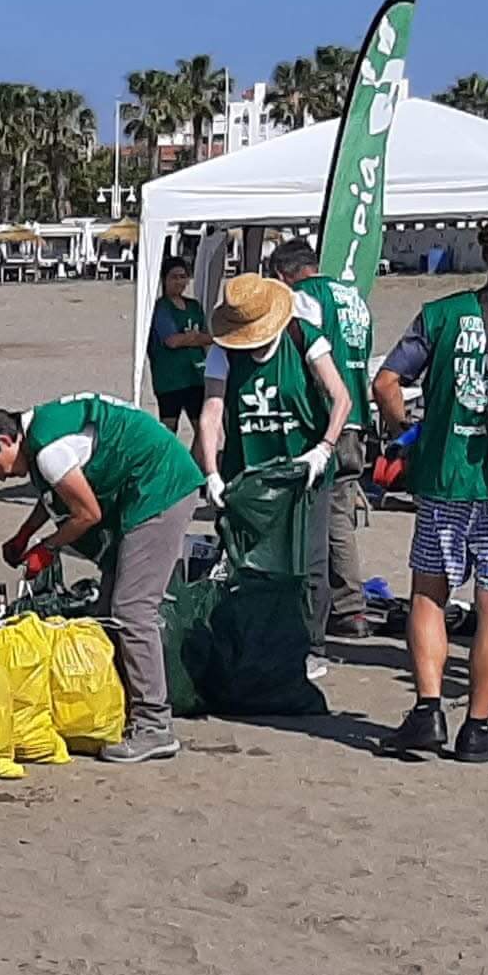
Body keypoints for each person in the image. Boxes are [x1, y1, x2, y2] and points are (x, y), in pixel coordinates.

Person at [0, 394, 205, 764]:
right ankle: (116, 707)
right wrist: (25, 535)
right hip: (144, 486)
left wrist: (46, 547)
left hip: (163, 488)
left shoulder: (49, 450)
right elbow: (57, 493)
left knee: (132, 610)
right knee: (106, 610)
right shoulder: (40, 431)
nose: (2, 476)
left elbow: (86, 513)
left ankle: (155, 725)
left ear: (6, 441)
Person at [371, 206, 488, 762]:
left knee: (430, 591)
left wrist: (408, 428)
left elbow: (386, 382)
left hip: (446, 473)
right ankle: (478, 726)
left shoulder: (443, 313)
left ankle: (428, 710)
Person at [198, 272, 352, 677]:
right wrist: (211, 472)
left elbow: (342, 398)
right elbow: (212, 411)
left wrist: (325, 447)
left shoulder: (304, 338)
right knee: (250, 562)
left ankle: (311, 645)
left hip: (305, 470)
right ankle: (257, 639)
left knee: (309, 560)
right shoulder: (223, 353)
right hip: (248, 471)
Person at [272, 238, 376, 638]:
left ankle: (350, 605)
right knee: (341, 510)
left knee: (327, 516)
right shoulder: (353, 296)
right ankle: (345, 600)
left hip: (327, 418)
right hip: (358, 414)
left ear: (284, 274)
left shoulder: (303, 298)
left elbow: (301, 352)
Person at [147, 256, 212, 436]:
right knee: (169, 429)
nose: (179, 281)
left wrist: (193, 338)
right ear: (164, 279)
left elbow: (208, 337)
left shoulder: (194, 306)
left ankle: (194, 462)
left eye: (183, 277)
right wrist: (194, 338)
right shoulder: (161, 308)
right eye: (174, 277)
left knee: (203, 429)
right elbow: (172, 340)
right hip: (169, 379)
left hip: (195, 375)